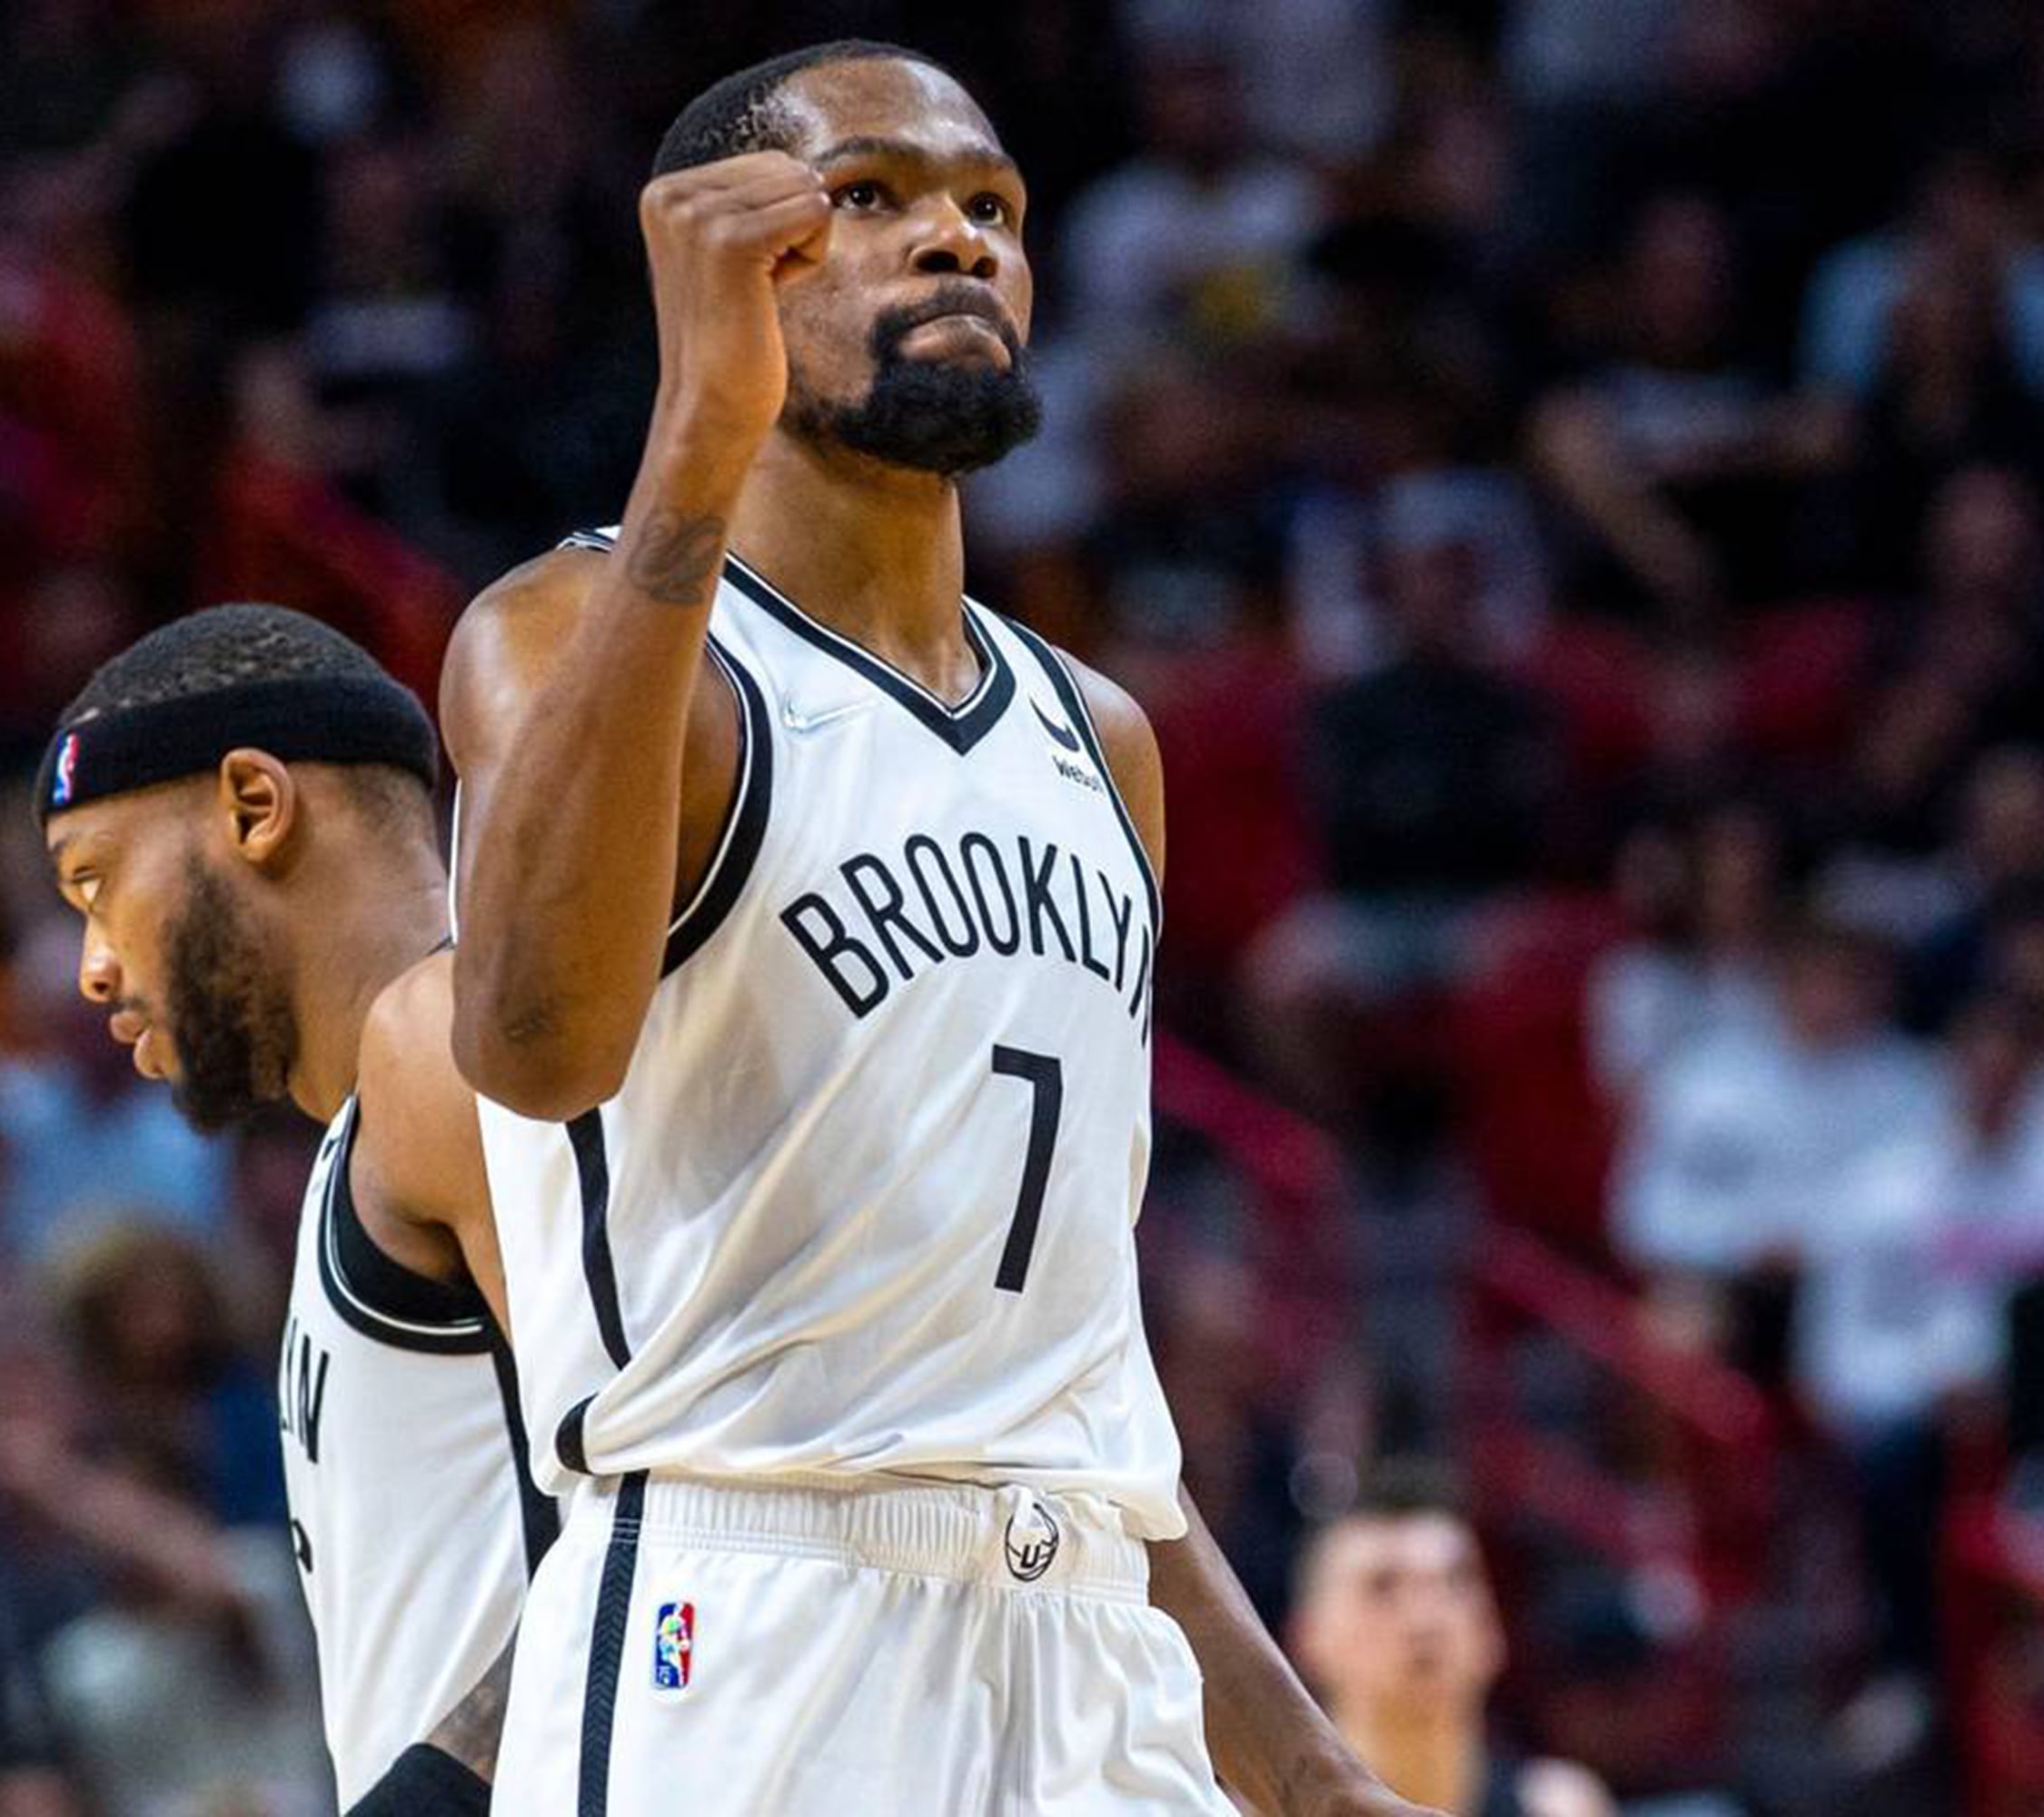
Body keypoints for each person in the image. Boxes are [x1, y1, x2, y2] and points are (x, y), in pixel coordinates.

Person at [442, 39, 1421, 1817]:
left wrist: (1311, 1768)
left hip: (1086, 1642)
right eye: (871, 197)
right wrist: (696, 435)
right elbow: (530, 1046)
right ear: (723, 255)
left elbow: (1073, 1366)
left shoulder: (1100, 741)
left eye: (992, 209)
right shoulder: (574, 635)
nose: (957, 241)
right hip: (752, 1627)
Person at [35, 604, 551, 1812]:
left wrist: (433, 1792)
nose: (93, 967)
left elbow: (686, 1504)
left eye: (98, 884)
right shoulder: (364, 1132)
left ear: (254, 808)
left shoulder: (464, 1059)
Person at [1286, 1468, 1616, 1817]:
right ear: (1307, 1636)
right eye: (1382, 1585)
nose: (1425, 1619)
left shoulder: (1561, 1807)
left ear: (1492, 1630)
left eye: (1454, 1582)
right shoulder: (1250, 1811)